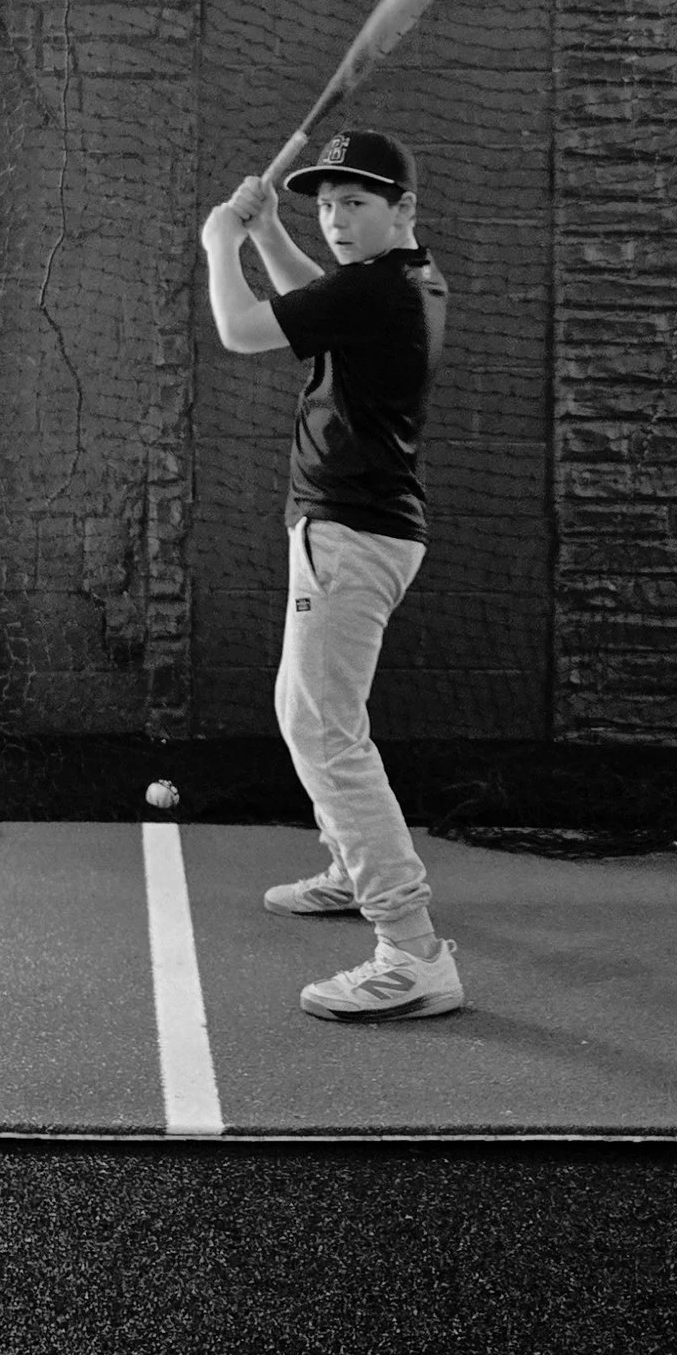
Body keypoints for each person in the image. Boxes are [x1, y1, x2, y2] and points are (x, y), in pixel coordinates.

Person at [197, 127, 462, 1020]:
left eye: (356, 202)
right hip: (356, 529)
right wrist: (270, 228)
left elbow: (240, 327)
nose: (338, 218)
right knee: (308, 713)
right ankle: (355, 869)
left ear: (404, 210)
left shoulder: (379, 289)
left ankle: (411, 949)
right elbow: (319, 295)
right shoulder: (397, 281)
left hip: (352, 534)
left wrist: (218, 243)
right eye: (326, 202)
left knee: (323, 730)